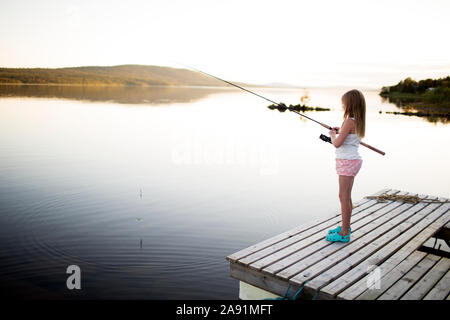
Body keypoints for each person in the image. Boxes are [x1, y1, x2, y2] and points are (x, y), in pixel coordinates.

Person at [326, 89, 366, 243]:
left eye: (344, 102)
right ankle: (346, 227)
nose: (342, 105)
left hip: (347, 162)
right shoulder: (357, 120)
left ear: (350, 103)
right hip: (351, 161)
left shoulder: (349, 121)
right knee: (346, 196)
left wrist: (333, 134)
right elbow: (348, 136)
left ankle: (344, 233)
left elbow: (336, 143)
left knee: (343, 197)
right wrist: (340, 130)